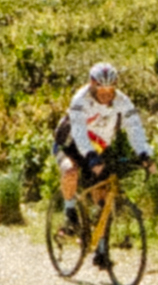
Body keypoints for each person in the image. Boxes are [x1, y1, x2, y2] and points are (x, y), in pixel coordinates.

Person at [47, 61, 149, 241]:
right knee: (70, 170)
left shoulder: (122, 101)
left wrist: (143, 153)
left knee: (102, 194)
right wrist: (90, 156)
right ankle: (69, 213)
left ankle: (101, 248)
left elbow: (134, 128)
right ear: (93, 86)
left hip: (99, 146)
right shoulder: (80, 99)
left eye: (110, 91)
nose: (106, 96)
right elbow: (78, 132)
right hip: (70, 144)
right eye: (102, 91)